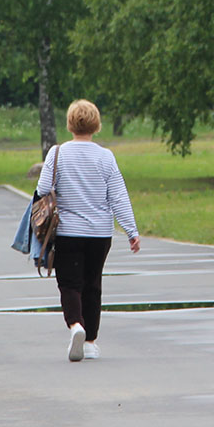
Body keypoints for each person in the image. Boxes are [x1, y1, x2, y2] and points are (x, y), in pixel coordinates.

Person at [35, 99, 141, 362]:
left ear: (70, 124)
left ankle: (76, 325)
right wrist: (131, 231)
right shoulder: (105, 157)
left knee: (69, 284)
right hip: (99, 235)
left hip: (68, 232)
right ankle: (91, 343)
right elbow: (118, 196)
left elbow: (42, 189)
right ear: (96, 125)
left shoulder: (57, 153)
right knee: (93, 284)